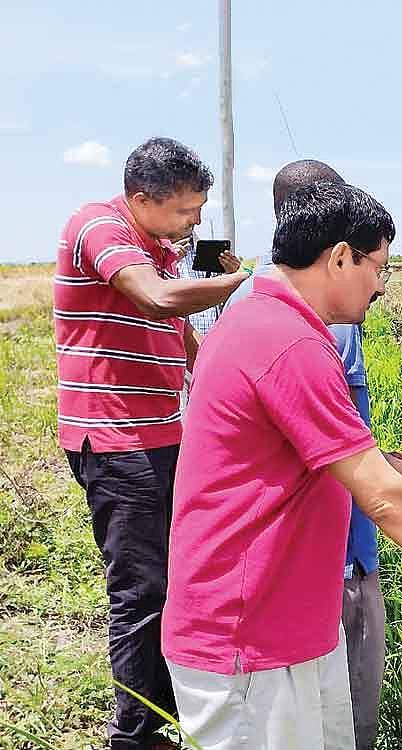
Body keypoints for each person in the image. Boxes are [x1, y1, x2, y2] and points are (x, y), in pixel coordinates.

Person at [162, 181, 402, 748]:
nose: (381, 286)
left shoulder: (268, 319)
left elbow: (316, 455)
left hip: (295, 626)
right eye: (378, 268)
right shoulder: (288, 342)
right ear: (339, 257)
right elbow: (385, 497)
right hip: (250, 640)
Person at [232, 160, 402, 750]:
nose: (379, 285)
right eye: (379, 267)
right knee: (343, 719)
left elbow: (309, 438)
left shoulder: (247, 300)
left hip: (278, 568)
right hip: (338, 557)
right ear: (338, 245)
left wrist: (391, 456)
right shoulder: (321, 327)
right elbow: (351, 464)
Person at [53, 137, 245, 750]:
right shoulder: (99, 227)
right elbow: (157, 298)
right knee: (140, 592)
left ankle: (166, 716)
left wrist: (217, 371)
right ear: (142, 199)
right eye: (187, 212)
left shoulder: (155, 247)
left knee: (174, 578)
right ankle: (136, 736)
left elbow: (174, 328)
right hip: (114, 441)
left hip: (162, 433)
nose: (193, 225)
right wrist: (236, 283)